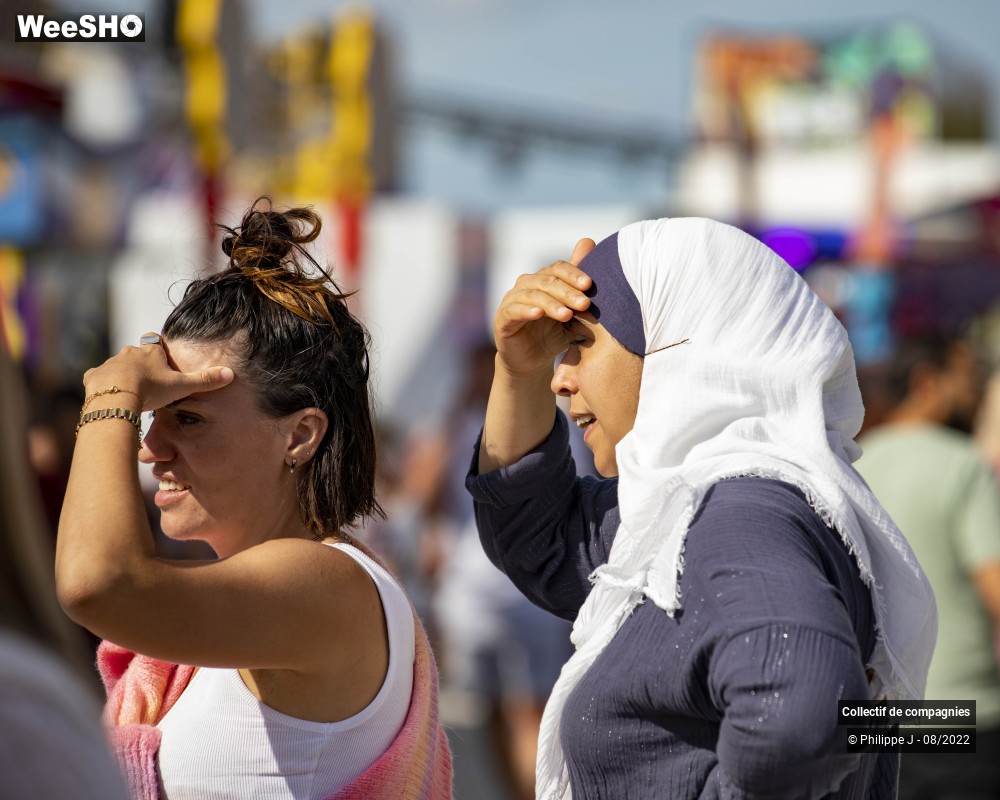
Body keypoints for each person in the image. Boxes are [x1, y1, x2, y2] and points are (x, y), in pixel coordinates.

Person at [466, 218, 937, 799]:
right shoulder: (697, 506)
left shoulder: (740, 515)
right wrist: (518, 372)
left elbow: (803, 722)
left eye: (581, 346)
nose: (561, 379)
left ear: (678, 346)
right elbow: (541, 540)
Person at [54, 198, 453, 800]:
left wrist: (108, 395)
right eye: (149, 417)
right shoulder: (273, 594)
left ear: (299, 435)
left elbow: (98, 582)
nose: (149, 448)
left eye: (187, 419)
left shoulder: (325, 582)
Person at [856, 335, 1000, 799]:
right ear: (927, 382)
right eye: (964, 377)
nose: (973, 390)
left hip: (874, 719)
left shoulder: (850, 467)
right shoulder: (963, 465)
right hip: (962, 715)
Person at [0, 347, 129, 799]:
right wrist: (114, 392)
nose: (151, 448)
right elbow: (91, 585)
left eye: (190, 419)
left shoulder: (18, 699)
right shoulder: (19, 700)